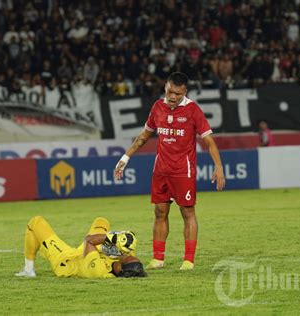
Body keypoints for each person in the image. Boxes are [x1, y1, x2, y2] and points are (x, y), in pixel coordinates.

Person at [114, 72, 226, 270]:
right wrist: (125, 157)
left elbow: (209, 141)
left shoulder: (193, 110)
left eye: (178, 93)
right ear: (166, 86)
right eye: (170, 91)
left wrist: (218, 166)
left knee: (187, 212)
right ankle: (158, 259)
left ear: (185, 92)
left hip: (183, 170)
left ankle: (188, 260)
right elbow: (144, 136)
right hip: (161, 170)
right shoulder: (157, 107)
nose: (173, 97)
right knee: (159, 212)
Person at [15, 216, 146, 278]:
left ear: (119, 268)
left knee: (36, 222)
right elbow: (128, 252)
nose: (128, 256)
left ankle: (28, 270)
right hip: (86, 254)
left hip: (66, 261)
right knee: (101, 221)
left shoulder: (98, 270)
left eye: (127, 258)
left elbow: (89, 241)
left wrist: (114, 238)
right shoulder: (124, 267)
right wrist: (127, 239)